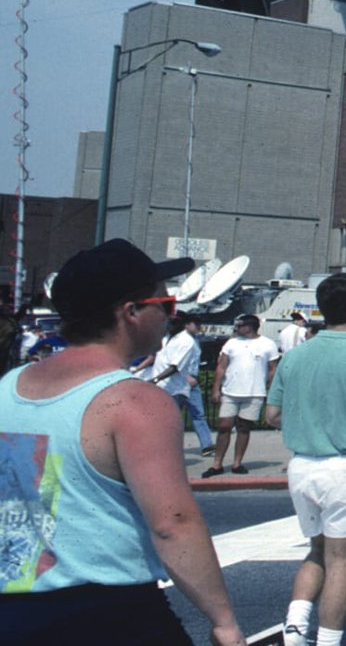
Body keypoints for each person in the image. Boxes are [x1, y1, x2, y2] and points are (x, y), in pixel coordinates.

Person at [0, 240, 246, 645]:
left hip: (14, 612)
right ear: (130, 312)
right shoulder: (134, 401)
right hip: (109, 615)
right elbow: (173, 525)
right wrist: (223, 620)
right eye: (165, 304)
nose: (171, 315)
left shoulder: (11, 387)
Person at [266, 271, 346, 646]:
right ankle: (328, 641)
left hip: (302, 466)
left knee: (316, 552)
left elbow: (271, 415)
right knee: (341, 563)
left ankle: (295, 625)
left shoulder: (295, 356)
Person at [206, 313, 280, 477]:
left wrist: (269, 385)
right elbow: (221, 367)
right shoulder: (231, 343)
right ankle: (217, 463)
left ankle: (237, 463)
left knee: (244, 428)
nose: (237, 328)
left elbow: (273, 368)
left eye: (240, 325)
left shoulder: (268, 344)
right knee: (224, 426)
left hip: (254, 392)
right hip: (231, 391)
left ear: (250, 327)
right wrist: (216, 389)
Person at [149, 312, 214, 457]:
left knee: (194, 415)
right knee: (165, 419)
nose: (198, 327)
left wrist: (155, 379)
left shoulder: (187, 341)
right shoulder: (166, 338)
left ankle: (206, 445)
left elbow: (175, 366)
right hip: (165, 384)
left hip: (179, 385)